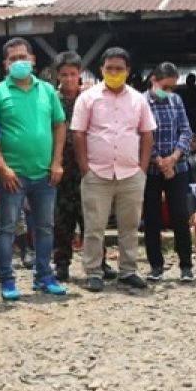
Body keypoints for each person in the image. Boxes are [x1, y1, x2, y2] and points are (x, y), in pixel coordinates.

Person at [0, 38, 68, 300]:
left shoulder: (47, 91)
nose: (19, 62)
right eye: (13, 59)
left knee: (45, 227)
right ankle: (7, 281)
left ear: (33, 60)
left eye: (23, 57)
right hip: (13, 174)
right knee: (6, 228)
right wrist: (2, 167)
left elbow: (59, 125)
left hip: (44, 173)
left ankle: (44, 277)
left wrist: (57, 162)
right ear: (5, 65)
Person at [72, 48, 156, 292]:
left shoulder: (138, 99)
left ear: (128, 71)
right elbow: (78, 133)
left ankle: (128, 270)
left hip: (130, 174)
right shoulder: (88, 98)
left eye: (119, 69)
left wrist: (142, 168)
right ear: (101, 70)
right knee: (94, 227)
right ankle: (94, 271)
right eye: (109, 68)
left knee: (129, 227)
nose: (114, 73)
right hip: (97, 173)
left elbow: (147, 133)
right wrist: (85, 168)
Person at [141, 62, 194, 281]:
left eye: (173, 87)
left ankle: (186, 265)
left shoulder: (176, 101)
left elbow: (186, 131)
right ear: (154, 80)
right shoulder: (140, 102)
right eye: (166, 86)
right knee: (152, 218)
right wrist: (158, 161)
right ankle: (156, 265)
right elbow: (140, 134)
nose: (169, 91)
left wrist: (173, 158)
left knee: (180, 216)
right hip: (151, 169)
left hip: (177, 167)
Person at [52, 51, 85, 282]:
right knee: (63, 219)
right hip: (62, 167)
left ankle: (98, 261)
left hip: (87, 167)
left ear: (80, 74)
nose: (69, 79)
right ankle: (62, 263)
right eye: (64, 74)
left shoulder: (89, 98)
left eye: (73, 74)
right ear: (57, 75)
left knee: (91, 218)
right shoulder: (51, 99)